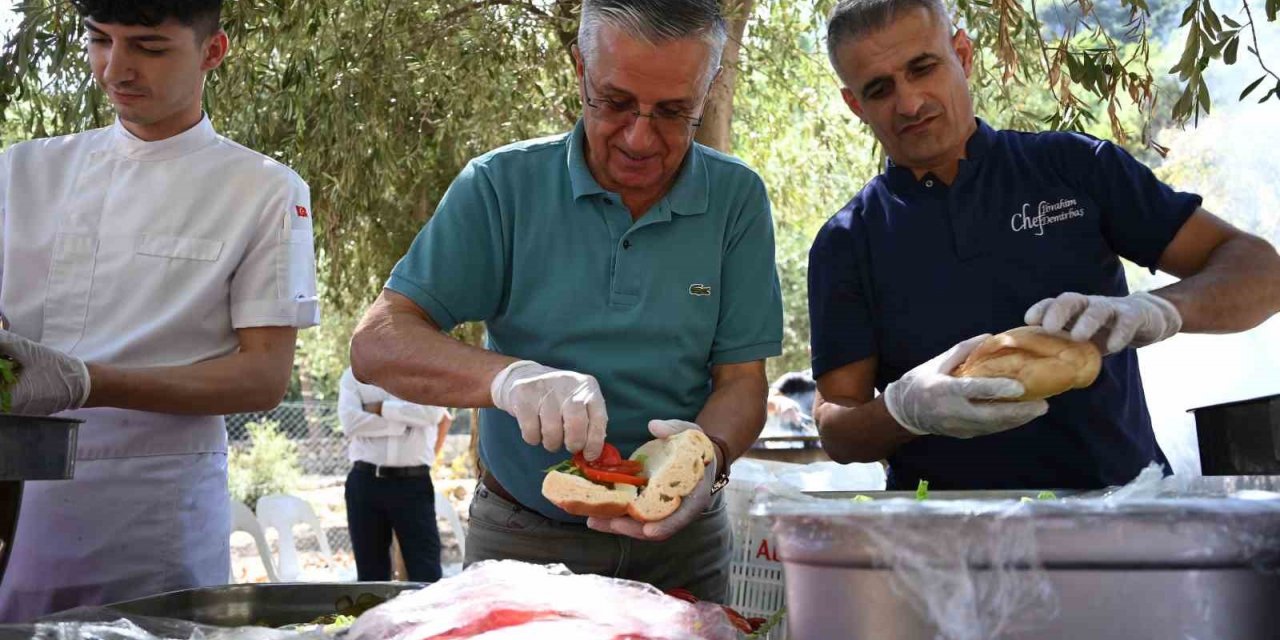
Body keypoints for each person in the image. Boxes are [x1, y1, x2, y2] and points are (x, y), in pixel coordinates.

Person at [348, 0, 782, 602]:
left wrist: (707, 459)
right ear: (579, 70)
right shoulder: (502, 187)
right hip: (523, 542)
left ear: (707, 91)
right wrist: (510, 381)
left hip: (684, 550)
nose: (639, 137)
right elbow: (377, 344)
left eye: (674, 112)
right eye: (615, 102)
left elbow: (742, 384)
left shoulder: (736, 199)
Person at [808, 0, 1280, 491]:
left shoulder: (1075, 168)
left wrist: (1154, 311)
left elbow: (1262, 273)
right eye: (880, 90)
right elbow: (838, 429)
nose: (908, 103)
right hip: (945, 539)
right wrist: (907, 409)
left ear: (962, 54)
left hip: (1121, 514)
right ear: (855, 104)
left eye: (922, 68)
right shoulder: (848, 239)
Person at [0, 0, 318, 621]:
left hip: (150, 511)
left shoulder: (263, 190)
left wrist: (91, 381)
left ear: (212, 52)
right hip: (14, 496)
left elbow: (261, 378)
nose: (115, 69)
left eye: (148, 47)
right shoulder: (20, 172)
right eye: (100, 41)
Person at [338, 367, 451, 583]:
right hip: (365, 482)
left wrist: (381, 408)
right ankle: (371, 617)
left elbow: (432, 414)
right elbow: (350, 422)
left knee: (426, 572)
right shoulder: (353, 376)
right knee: (370, 574)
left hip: (413, 485)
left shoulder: (425, 373)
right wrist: (403, 424)